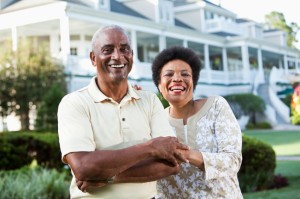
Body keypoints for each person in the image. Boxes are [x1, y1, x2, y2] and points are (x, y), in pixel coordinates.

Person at [57, 25, 189, 199]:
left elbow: (171, 164)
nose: (117, 56)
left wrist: (109, 175)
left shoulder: (149, 101)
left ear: (132, 56)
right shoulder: (74, 103)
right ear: (93, 58)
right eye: (107, 50)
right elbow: (83, 167)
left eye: (124, 49)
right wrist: (151, 148)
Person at [151, 46, 243, 198]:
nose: (177, 79)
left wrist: (187, 154)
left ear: (193, 82)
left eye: (185, 74)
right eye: (169, 74)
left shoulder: (216, 107)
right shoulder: (155, 121)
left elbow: (232, 161)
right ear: (159, 86)